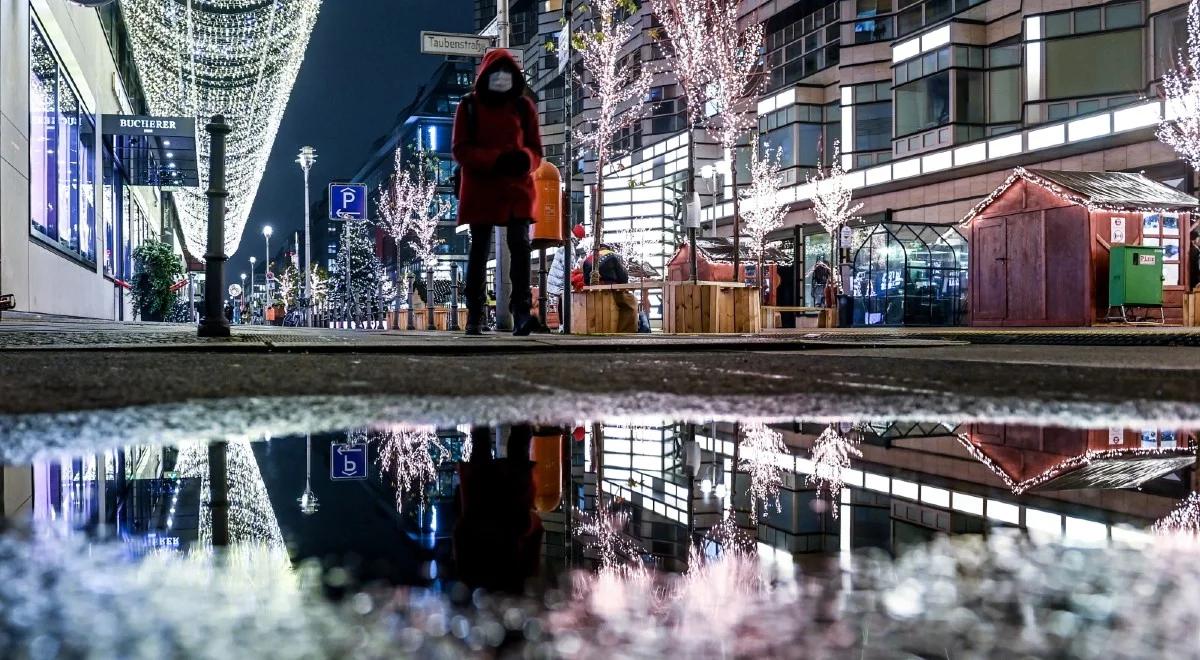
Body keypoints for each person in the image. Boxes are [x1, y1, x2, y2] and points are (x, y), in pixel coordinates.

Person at [452, 50, 544, 336]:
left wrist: (525, 159)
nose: (502, 78)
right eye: (497, 72)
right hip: (482, 188)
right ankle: (475, 316)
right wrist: (497, 160)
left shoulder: (523, 107)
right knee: (479, 249)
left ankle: (521, 313)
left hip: (515, 188)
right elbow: (460, 149)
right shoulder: (468, 106)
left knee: (519, 245)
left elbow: (537, 151)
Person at [582, 244, 638, 333]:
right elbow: (623, 277)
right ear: (608, 249)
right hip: (611, 290)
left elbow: (585, 280)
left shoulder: (586, 260)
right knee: (630, 303)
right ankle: (625, 331)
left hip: (591, 293)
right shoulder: (613, 256)